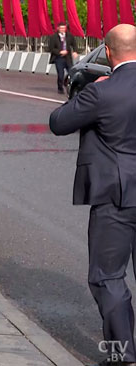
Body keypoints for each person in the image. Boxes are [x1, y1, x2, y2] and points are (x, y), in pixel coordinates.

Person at [49, 24, 136, 366]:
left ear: (109, 53)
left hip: (115, 194)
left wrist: (90, 91)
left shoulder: (103, 91)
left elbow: (58, 122)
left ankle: (122, 354)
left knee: (107, 275)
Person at [48, 22, 78, 94]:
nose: (62, 30)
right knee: (60, 74)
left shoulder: (69, 36)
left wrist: (75, 51)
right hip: (59, 58)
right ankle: (60, 88)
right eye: (61, 28)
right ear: (58, 28)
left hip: (68, 58)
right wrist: (60, 52)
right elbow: (51, 48)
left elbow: (74, 44)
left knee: (71, 73)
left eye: (64, 28)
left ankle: (70, 86)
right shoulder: (53, 37)